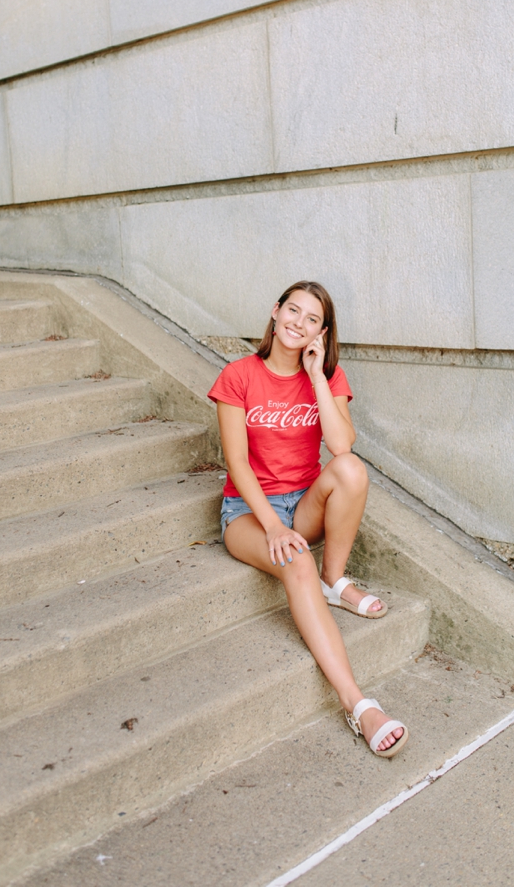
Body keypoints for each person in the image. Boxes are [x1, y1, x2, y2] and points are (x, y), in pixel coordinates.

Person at [209, 280, 407, 758]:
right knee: (295, 563)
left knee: (351, 471)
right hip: (249, 511)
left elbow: (341, 448)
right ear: (275, 314)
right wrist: (274, 527)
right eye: (292, 311)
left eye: (311, 318)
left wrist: (317, 376)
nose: (298, 322)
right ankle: (357, 704)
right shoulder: (239, 375)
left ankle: (334, 580)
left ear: (322, 331)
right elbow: (236, 461)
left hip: (303, 504)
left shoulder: (328, 376)